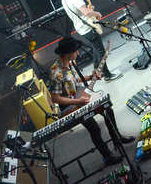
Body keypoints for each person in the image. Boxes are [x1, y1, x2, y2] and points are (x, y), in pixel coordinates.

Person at [48, 37, 134, 166]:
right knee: (94, 128)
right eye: (76, 51)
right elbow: (55, 98)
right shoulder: (56, 72)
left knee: (108, 109)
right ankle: (107, 157)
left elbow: (74, 81)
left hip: (78, 94)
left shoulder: (70, 62)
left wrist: (91, 76)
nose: (78, 53)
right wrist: (78, 101)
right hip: (69, 105)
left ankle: (117, 139)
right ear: (68, 53)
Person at [60, 0, 122, 82]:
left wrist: (89, 10)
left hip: (81, 29)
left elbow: (80, 12)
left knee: (96, 50)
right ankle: (107, 75)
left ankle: (96, 73)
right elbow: (86, 13)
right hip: (87, 27)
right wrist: (96, 13)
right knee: (101, 52)